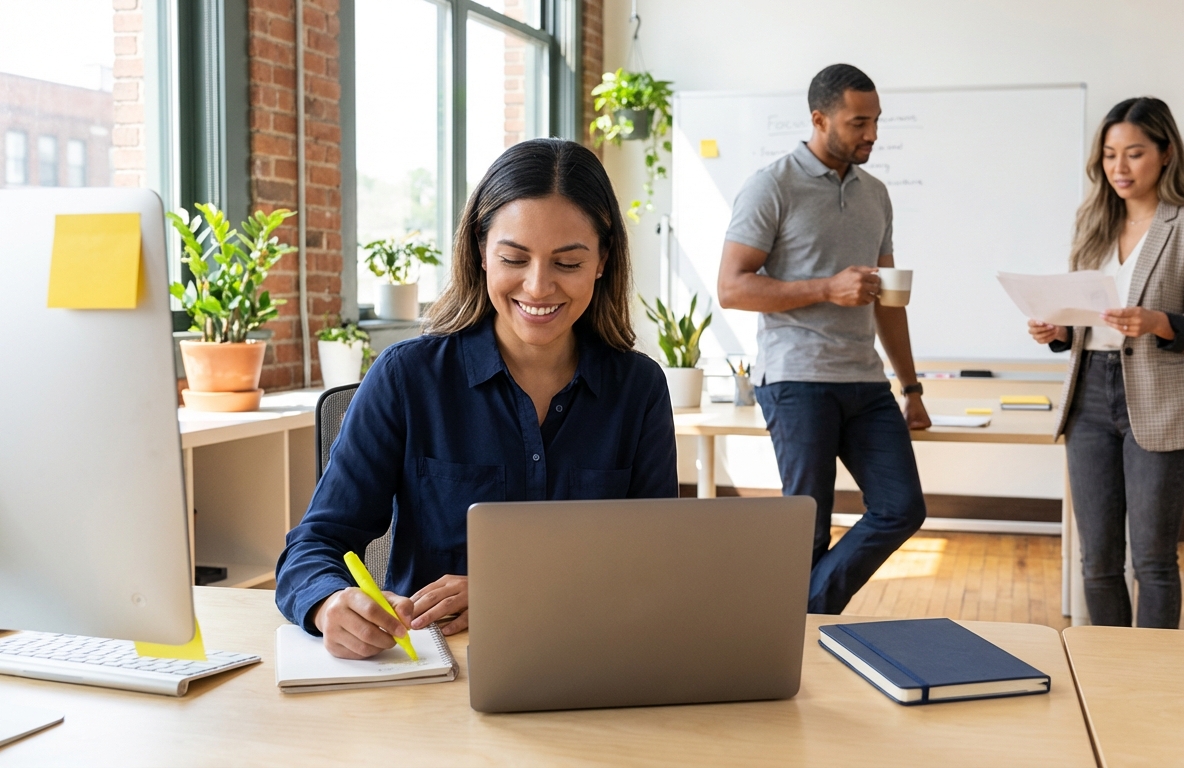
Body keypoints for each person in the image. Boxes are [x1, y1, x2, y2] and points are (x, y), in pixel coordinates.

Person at [276, 139, 678, 658]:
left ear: (602, 262)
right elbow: (313, 546)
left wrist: (513, 595)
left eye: (568, 264)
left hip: (588, 661)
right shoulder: (406, 378)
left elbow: (656, 567)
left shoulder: (638, 389)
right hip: (435, 678)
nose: (538, 287)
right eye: (514, 257)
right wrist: (328, 603)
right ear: (481, 253)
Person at [717, 64, 928, 615]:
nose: (872, 134)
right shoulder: (772, 185)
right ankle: (801, 641)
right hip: (796, 377)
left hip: (864, 380)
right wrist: (826, 289)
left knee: (901, 508)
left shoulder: (876, 194)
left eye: (876, 121)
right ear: (819, 118)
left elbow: (889, 300)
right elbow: (732, 287)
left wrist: (911, 387)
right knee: (808, 529)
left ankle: (797, 616)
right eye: (859, 122)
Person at [1028, 97, 1184, 628]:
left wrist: (1160, 322)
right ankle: (1107, 675)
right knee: (1097, 562)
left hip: (1161, 401)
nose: (1120, 168)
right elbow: (1084, 313)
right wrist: (1059, 330)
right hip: (1090, 393)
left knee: (1152, 560)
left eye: (1135, 154)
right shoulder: (1093, 220)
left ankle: (1152, 679)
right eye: (1110, 155)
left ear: (1165, 153)